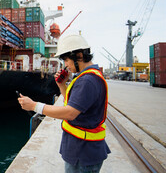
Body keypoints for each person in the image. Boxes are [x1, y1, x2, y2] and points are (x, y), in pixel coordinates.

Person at [18, 34, 110, 173]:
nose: (65, 65)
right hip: (82, 149)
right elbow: (74, 103)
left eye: (66, 60)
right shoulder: (88, 77)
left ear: (78, 55)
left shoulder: (87, 80)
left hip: (83, 153)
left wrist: (34, 106)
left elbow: (70, 113)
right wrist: (61, 85)